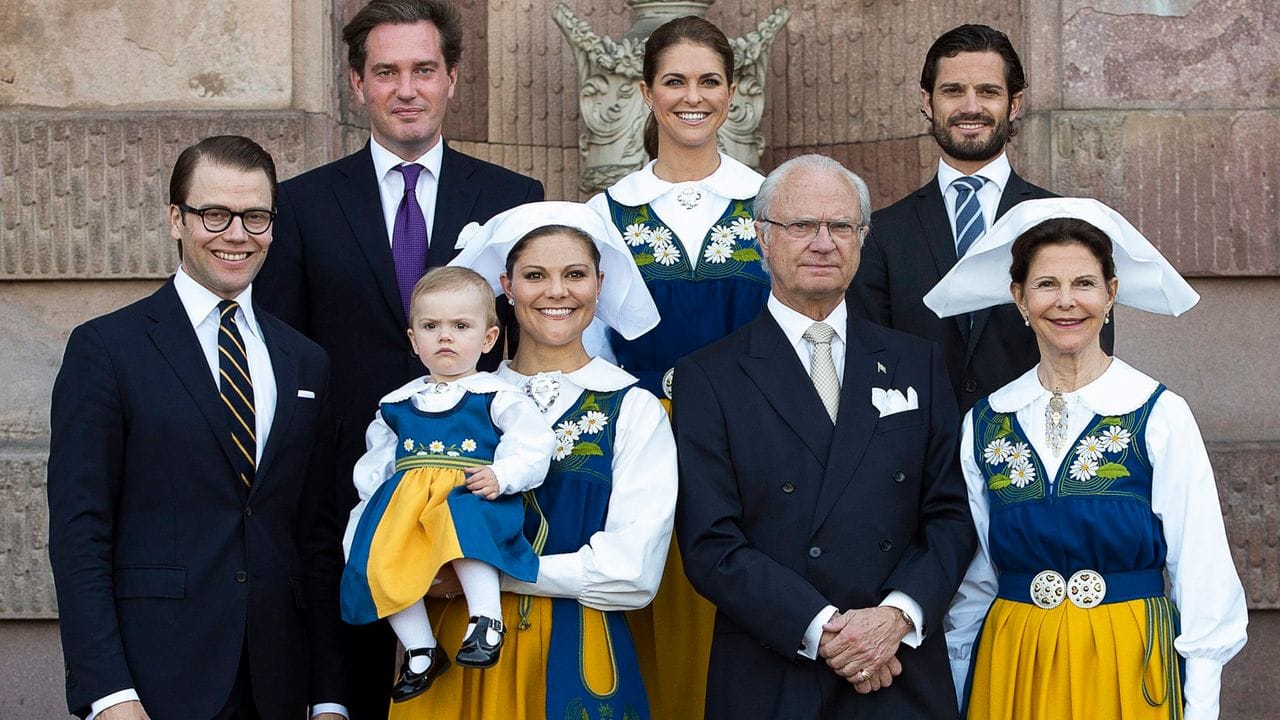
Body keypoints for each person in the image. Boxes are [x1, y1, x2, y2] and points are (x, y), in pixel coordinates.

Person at [254, 1, 545, 714]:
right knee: (349, 677)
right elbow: (280, 348)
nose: (406, 89)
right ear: (358, 85)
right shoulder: (301, 205)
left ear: (452, 78)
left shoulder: (514, 200)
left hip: (474, 491)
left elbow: (534, 337)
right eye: (386, 72)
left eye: (423, 70)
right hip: (345, 483)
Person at [47, 136, 346, 720]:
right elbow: (80, 533)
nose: (237, 234)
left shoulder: (305, 360)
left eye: (255, 216)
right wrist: (108, 692)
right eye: (214, 214)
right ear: (175, 219)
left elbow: (316, 538)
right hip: (154, 683)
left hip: (280, 684)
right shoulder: (107, 348)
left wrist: (329, 695)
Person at [674, 154, 976, 719]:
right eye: (800, 225)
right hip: (774, 668)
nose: (823, 242)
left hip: (899, 667)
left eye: (841, 226)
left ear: (862, 239)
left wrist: (895, 617)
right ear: (761, 237)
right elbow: (710, 543)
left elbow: (952, 513)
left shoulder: (917, 364)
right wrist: (826, 631)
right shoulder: (708, 377)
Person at [929, 197, 1248, 720]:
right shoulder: (986, 423)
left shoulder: (1158, 413)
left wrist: (1200, 703)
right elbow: (977, 579)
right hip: (1014, 663)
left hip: (1128, 660)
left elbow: (1201, 569)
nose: (1066, 302)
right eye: (1046, 284)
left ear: (1111, 294)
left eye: (1084, 283)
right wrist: (963, 682)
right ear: (1019, 298)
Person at [387, 201, 674, 720]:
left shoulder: (634, 408)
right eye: (535, 275)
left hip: (576, 650)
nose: (556, 291)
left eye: (575, 274)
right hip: (453, 648)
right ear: (507, 285)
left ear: (600, 283)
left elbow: (633, 572)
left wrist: (486, 574)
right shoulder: (442, 401)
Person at [584, 15, 767, 718]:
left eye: (709, 81)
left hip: (752, 451)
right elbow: (591, 345)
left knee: (746, 623)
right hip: (640, 450)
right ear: (645, 91)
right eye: (674, 81)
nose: (692, 97)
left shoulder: (770, 203)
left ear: (732, 92)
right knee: (646, 627)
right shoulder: (606, 213)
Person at [849, 24, 1111, 411]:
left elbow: (1092, 362)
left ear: (1015, 103)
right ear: (927, 101)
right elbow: (871, 366)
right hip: (922, 462)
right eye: (953, 91)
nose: (970, 107)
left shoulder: (1066, 223)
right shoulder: (881, 234)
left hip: (1038, 453)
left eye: (988, 92)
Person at [339, 267, 555, 703]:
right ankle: (420, 647)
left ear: (489, 339)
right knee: (370, 547)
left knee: (463, 526)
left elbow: (533, 443)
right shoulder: (397, 402)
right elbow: (378, 458)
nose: (445, 337)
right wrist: (372, 498)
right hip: (407, 503)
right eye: (431, 327)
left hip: (468, 493)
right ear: (413, 339)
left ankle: (487, 620)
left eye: (461, 326)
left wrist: (502, 474)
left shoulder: (494, 394)